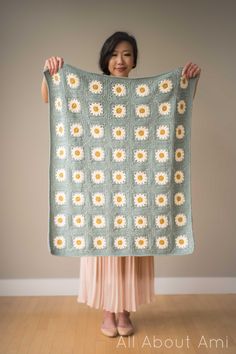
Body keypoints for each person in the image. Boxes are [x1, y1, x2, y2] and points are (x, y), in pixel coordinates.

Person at [41, 31, 201, 338]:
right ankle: (107, 310)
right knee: (103, 249)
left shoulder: (146, 93)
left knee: (131, 248)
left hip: (136, 190)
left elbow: (177, 107)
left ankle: (124, 311)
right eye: (114, 54)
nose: (120, 61)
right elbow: (51, 96)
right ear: (105, 57)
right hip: (99, 189)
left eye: (127, 54)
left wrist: (190, 81)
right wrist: (50, 70)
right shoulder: (87, 90)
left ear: (135, 60)